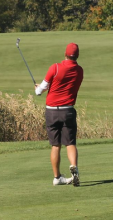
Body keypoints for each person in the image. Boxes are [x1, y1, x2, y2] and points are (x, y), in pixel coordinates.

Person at [35, 43, 83, 187]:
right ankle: (73, 166)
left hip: (51, 111)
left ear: (65, 54)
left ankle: (57, 177)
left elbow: (39, 91)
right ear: (77, 56)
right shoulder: (79, 71)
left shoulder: (55, 67)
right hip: (67, 110)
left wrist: (39, 88)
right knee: (70, 142)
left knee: (56, 145)